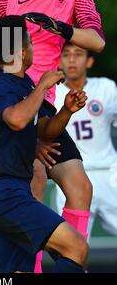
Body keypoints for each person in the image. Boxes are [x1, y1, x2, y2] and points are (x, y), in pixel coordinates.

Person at [0, 0, 105, 271]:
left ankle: (71, 256)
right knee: (33, 183)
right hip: (13, 100)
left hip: (46, 105)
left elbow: (96, 41)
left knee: (80, 186)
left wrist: (61, 28)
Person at [0, 15, 89, 273]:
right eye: (30, 42)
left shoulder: (23, 83)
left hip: (13, 191)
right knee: (76, 248)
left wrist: (66, 111)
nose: (33, 48)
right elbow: (17, 120)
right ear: (20, 51)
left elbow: (44, 131)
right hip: (5, 194)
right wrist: (42, 87)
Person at [54, 43, 117, 240]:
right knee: (72, 244)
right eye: (66, 54)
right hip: (70, 178)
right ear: (59, 61)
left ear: (89, 61)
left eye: (78, 54)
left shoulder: (106, 87)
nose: (72, 59)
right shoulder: (52, 94)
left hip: (108, 173)